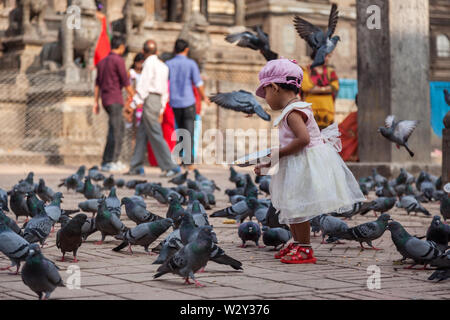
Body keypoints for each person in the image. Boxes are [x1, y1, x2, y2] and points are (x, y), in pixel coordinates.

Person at [254, 59, 365, 264]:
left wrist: (276, 154)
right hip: (295, 162)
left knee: (298, 207)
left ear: (275, 88)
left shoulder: (293, 113)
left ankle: (304, 247)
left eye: (266, 93)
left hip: (302, 164)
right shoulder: (295, 108)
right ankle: (298, 242)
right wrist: (271, 161)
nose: (266, 98)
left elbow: (303, 140)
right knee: (292, 206)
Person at [126, 40, 181, 178]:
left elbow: (143, 86)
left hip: (150, 99)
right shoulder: (164, 66)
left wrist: (133, 104)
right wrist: (161, 108)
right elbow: (164, 92)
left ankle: (170, 166)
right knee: (142, 133)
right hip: (157, 100)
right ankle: (136, 166)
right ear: (156, 51)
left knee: (156, 134)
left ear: (143, 52)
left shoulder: (148, 63)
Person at [166, 39, 210, 169]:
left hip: (174, 102)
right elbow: (198, 83)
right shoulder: (191, 64)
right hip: (188, 102)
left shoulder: (168, 64)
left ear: (175, 49)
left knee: (178, 131)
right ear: (186, 49)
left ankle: (179, 158)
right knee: (189, 131)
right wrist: (204, 97)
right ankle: (189, 161)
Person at [94, 36, 134, 172]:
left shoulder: (102, 62)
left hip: (105, 100)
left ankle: (107, 160)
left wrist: (96, 102)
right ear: (121, 47)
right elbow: (125, 81)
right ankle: (112, 160)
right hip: (115, 99)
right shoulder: (118, 61)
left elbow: (97, 84)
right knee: (117, 131)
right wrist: (134, 95)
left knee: (114, 129)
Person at [301, 53, 340, 130]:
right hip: (311, 111)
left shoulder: (330, 71)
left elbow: (335, 86)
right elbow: (306, 87)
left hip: (328, 113)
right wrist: (326, 89)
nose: (327, 59)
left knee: (327, 138)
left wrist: (316, 89)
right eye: (325, 56)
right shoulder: (306, 70)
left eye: (329, 56)